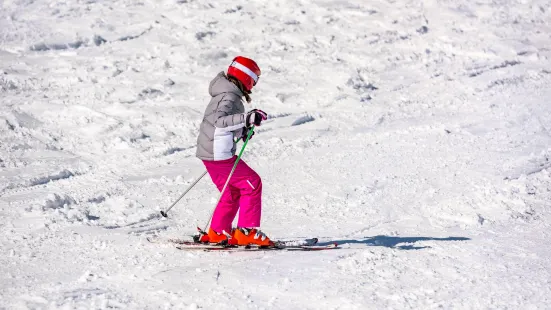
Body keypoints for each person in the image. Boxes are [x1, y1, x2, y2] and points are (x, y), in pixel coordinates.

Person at [195, 56, 273, 246]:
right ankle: (246, 231)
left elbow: (225, 123)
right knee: (252, 184)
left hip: (210, 152)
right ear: (246, 77)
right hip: (218, 154)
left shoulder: (225, 93)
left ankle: (218, 233)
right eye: (254, 80)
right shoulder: (229, 96)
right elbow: (220, 122)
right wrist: (247, 118)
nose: (253, 86)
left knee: (230, 192)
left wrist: (242, 129)